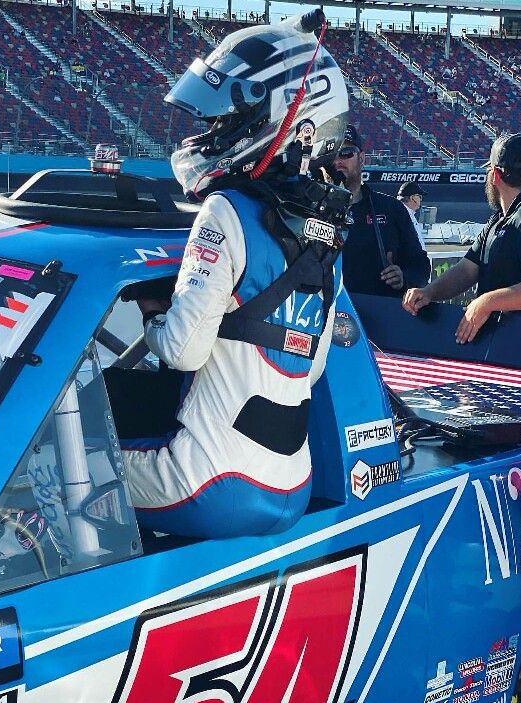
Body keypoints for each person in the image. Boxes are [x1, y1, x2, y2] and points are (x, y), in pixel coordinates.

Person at [117, 12, 350, 539]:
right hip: (293, 485)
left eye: (230, 119)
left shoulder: (226, 211)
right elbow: (309, 371)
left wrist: (155, 313)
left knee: (46, 465)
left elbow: (182, 351)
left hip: (210, 485)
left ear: (293, 124)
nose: (214, 130)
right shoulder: (333, 232)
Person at [403, 133, 521, 344]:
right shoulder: (500, 218)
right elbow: (467, 269)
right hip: (494, 341)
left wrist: (487, 302)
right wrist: (429, 292)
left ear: (495, 176)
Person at [332, 124, 431, 297]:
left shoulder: (391, 209)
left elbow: (421, 265)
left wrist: (403, 278)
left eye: (346, 153)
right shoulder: (307, 209)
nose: (337, 162)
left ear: (361, 158)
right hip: (323, 315)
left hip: (376, 313)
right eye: (331, 155)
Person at [397, 181, 427, 249]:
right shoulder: (401, 216)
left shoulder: (409, 214)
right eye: (420, 196)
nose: (421, 200)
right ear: (412, 198)